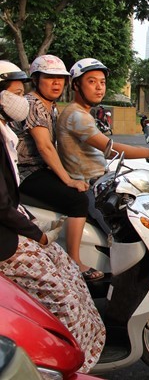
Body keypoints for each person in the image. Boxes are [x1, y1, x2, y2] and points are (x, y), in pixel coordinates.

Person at [0, 62, 105, 373]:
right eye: (17, 93)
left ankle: (90, 345)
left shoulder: (10, 128)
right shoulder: (38, 109)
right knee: (62, 293)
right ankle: (72, 363)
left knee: (69, 275)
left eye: (60, 78)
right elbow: (4, 204)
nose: (24, 99)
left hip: (14, 220)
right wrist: (36, 233)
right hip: (7, 237)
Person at [11, 55, 100, 280]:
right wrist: (68, 180)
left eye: (60, 78)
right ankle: (74, 261)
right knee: (77, 199)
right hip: (26, 173)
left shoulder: (50, 108)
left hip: (38, 170)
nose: (56, 83)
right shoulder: (33, 104)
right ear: (36, 79)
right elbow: (45, 147)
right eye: (49, 78)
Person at [56, 58, 149, 184]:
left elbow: (104, 149)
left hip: (97, 180)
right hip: (86, 186)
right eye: (92, 82)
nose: (99, 87)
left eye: (102, 82)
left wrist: (148, 151)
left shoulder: (79, 112)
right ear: (76, 85)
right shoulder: (77, 116)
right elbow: (112, 150)